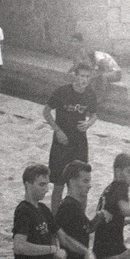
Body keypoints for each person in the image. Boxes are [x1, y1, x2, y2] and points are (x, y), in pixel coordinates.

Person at [44, 63, 98, 213]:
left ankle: (79, 218)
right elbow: (46, 112)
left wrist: (88, 124)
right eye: (81, 76)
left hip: (80, 143)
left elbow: (94, 115)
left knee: (82, 184)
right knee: (59, 184)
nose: (84, 80)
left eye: (87, 77)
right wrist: (57, 131)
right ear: (75, 75)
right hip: (61, 142)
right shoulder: (62, 92)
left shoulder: (90, 94)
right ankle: (55, 219)